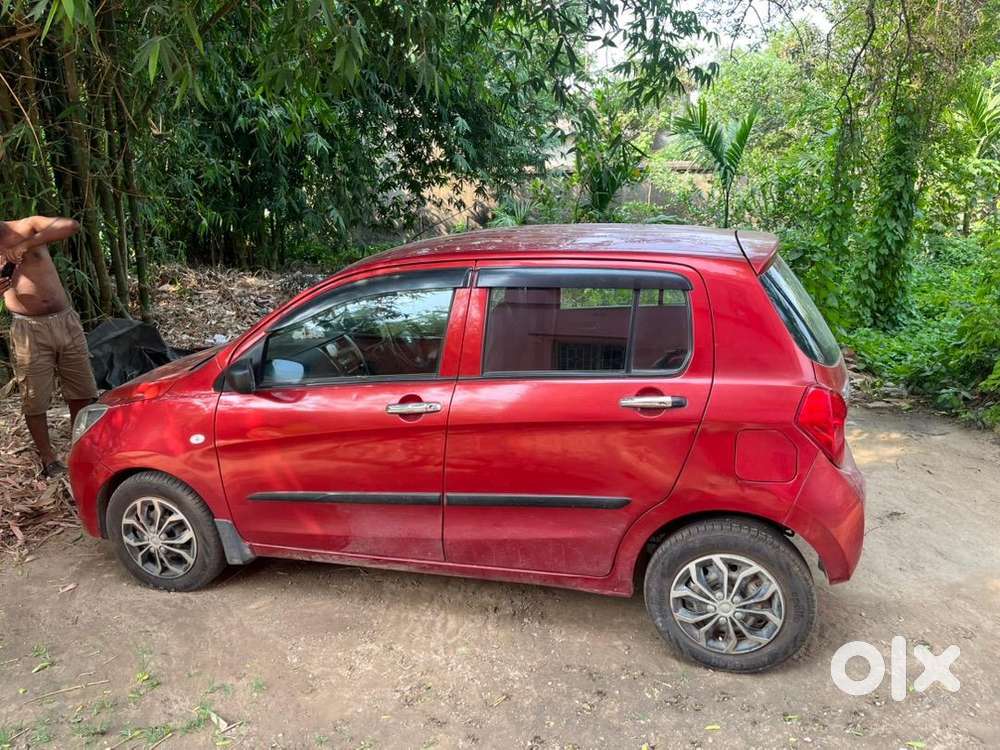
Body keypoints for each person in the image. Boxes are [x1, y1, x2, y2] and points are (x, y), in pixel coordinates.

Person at [1, 216, 98, 477]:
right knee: (35, 398)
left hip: (66, 321)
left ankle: (80, 449)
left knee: (81, 390)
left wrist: (27, 244)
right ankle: (48, 458)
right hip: (28, 330)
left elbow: (71, 226)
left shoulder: (25, 226)